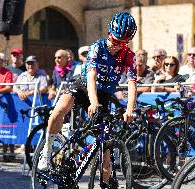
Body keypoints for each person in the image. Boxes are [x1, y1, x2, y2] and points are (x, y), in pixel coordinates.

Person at [38, 12, 137, 187]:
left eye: (123, 43)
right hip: (84, 87)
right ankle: (46, 151)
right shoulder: (97, 47)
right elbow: (91, 76)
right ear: (109, 34)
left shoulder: (129, 55)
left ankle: (105, 183)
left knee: (105, 146)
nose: (118, 46)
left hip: (104, 94)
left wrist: (130, 109)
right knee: (60, 108)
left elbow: (131, 83)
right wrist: (92, 101)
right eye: (115, 41)